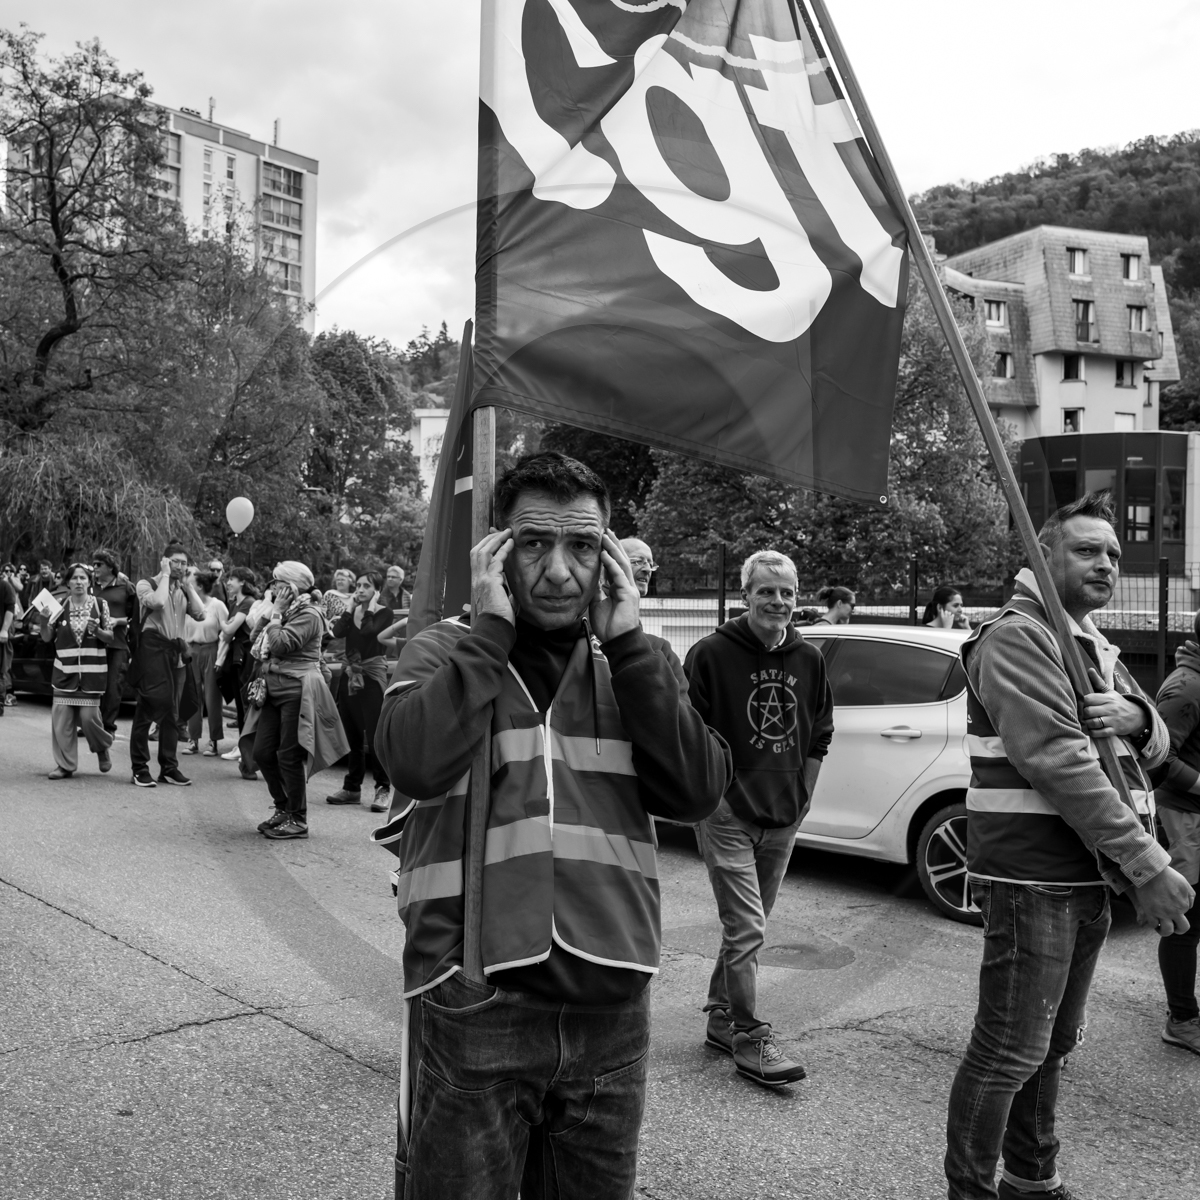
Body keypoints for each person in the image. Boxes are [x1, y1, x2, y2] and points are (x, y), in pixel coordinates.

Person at [375, 451, 731, 1198]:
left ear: (609, 557)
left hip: (612, 1001)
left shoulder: (640, 658)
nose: (560, 571)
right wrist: (488, 639)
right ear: (498, 553)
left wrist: (631, 649)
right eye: (535, 544)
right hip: (477, 997)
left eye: (583, 547)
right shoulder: (445, 650)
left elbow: (697, 790)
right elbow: (413, 763)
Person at [944, 491, 1194, 1200]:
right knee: (1009, 1049)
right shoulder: (1021, 635)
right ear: (1041, 553)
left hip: (1084, 878)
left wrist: (1141, 719)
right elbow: (1059, 758)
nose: (1107, 563)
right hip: (1034, 877)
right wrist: (1146, 863)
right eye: (1087, 549)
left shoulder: (1090, 643)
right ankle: (971, 1189)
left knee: (1049, 1047)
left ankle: (1031, 1177)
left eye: (1114, 553)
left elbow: (1153, 747)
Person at [684, 549, 834, 1087]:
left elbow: (819, 732)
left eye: (788, 592)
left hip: (784, 814)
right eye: (767, 590)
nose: (778, 601)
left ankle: (720, 1018)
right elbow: (689, 736)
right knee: (746, 926)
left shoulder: (809, 658)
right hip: (727, 813)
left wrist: (805, 795)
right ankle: (750, 1035)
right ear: (746, 594)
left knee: (751, 925)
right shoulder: (709, 655)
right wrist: (715, 798)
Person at [246, 561, 348, 841]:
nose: (272, 587)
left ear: (291, 587)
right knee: (262, 753)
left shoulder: (310, 613)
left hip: (297, 690)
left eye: (277, 582)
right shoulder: (287, 611)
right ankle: (283, 808)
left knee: (288, 756)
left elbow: (280, 645)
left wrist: (276, 614)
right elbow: (256, 639)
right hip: (274, 688)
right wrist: (271, 613)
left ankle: (298, 818)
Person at [1151, 614, 1200, 1055]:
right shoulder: (1187, 688)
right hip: (1185, 818)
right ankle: (1182, 1019)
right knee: (1185, 920)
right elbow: (1154, 755)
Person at [129, 543, 205, 788]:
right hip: (153, 656)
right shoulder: (146, 584)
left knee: (172, 715)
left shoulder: (182, 589)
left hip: (177, 659)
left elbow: (201, 614)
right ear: (164, 561)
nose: (180, 567)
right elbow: (159, 603)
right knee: (146, 711)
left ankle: (169, 769)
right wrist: (164, 575)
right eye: (175, 562)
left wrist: (188, 586)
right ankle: (140, 769)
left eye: (184, 563)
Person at [325, 571, 394, 812]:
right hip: (350, 675)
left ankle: (382, 788)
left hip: (372, 678)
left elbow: (369, 632)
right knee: (352, 735)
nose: (360, 589)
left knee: (375, 737)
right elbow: (338, 632)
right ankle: (352, 788)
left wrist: (370, 608)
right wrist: (350, 608)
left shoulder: (385, 613)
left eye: (367, 586)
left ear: (376, 590)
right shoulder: (352, 610)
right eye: (359, 585)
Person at [41, 563, 116, 779]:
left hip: (91, 675)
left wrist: (98, 631)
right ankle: (65, 765)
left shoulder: (101, 604)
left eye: (83, 578)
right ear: (68, 582)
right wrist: (44, 620)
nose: (79, 582)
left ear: (89, 582)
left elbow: (110, 637)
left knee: (89, 718)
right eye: (75, 578)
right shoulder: (60, 605)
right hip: (65, 673)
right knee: (62, 720)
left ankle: (101, 748)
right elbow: (47, 637)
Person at [218, 566, 260, 778]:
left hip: (245, 659)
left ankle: (248, 756)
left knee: (245, 707)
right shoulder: (236, 603)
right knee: (241, 709)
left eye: (232, 579)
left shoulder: (248, 603)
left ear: (243, 582)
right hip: (237, 658)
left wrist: (216, 615)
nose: (229, 582)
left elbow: (228, 630)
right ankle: (243, 751)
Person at [91, 549, 138, 736]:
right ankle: (91, 724)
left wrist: (118, 621)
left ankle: (108, 727)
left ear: (110, 566)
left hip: (118, 644)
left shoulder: (126, 587)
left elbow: (136, 618)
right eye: (93, 564)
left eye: (99, 564)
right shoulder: (90, 586)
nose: (94, 568)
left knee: (113, 687)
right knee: (93, 685)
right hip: (93, 643)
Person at [183, 570, 229, 756]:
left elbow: (226, 634)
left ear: (199, 586)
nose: (187, 584)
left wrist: (220, 658)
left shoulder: (217, 606)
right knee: (192, 696)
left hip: (211, 649)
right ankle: (193, 739)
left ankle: (214, 740)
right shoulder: (187, 605)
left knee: (212, 698)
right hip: (191, 649)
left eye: (190, 582)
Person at [0, 562, 20, 715]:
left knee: (1, 671)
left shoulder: (5, 587)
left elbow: (10, 608)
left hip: (0, 634)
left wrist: (5, 630)